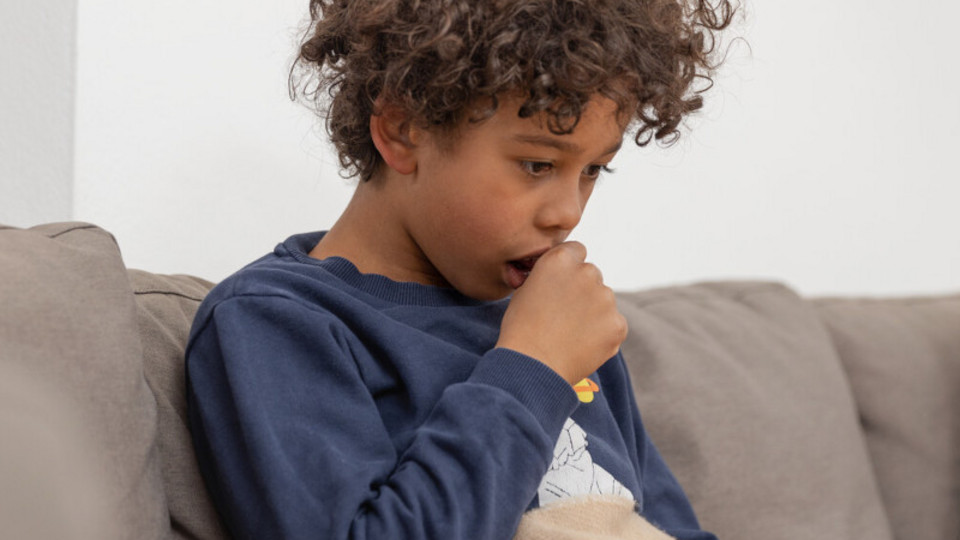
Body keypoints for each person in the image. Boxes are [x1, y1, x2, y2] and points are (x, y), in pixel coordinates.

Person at [185, 0, 735, 538]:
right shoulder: (276, 323)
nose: (568, 213)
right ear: (403, 131)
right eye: (537, 164)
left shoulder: (564, 320)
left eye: (593, 170)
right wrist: (533, 367)